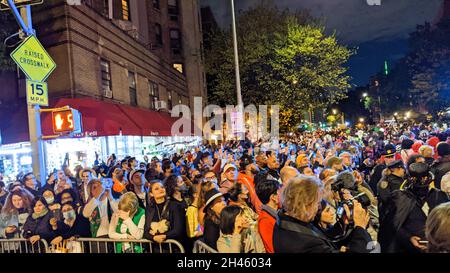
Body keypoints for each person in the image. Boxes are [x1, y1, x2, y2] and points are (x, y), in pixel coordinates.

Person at [273, 175, 372, 253]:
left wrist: (342, 222)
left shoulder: (287, 217)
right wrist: (360, 228)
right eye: (317, 203)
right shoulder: (302, 242)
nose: (319, 207)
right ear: (305, 205)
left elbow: (323, 237)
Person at [378, 162, 449, 253]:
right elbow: (391, 226)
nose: (421, 185)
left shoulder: (440, 196)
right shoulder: (399, 198)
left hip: (437, 247)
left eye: (424, 179)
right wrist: (408, 237)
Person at [143, 181, 186, 251]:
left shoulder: (175, 206)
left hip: (173, 248)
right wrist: (154, 238)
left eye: (162, 187)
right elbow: (146, 232)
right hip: (156, 248)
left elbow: (178, 229)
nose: (161, 189)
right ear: (151, 194)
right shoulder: (149, 209)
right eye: (156, 189)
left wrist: (164, 236)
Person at [255, 179, 280, 253]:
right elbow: (272, 248)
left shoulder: (277, 213)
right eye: (280, 192)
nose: (283, 194)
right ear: (273, 197)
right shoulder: (265, 220)